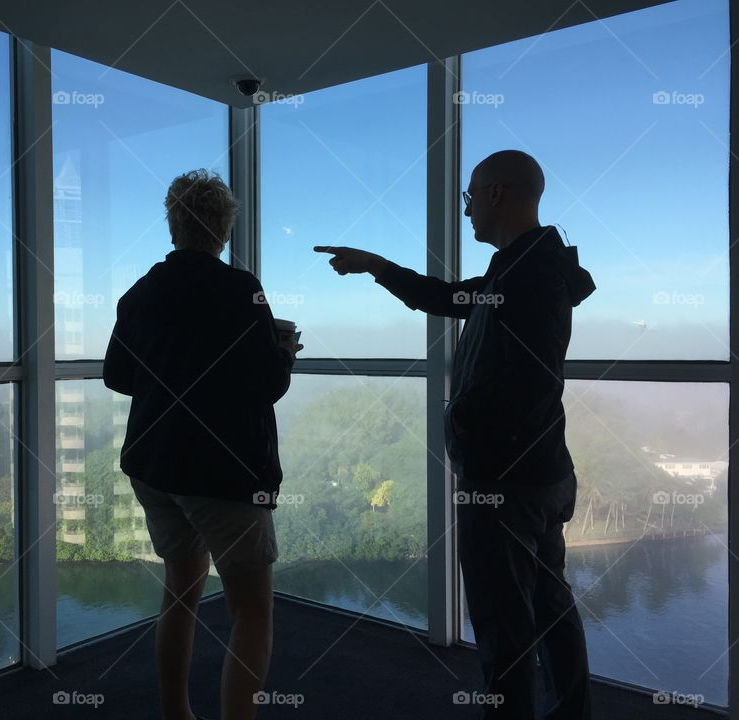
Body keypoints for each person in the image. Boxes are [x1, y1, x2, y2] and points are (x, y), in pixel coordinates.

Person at [314, 150, 596, 719]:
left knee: (502, 624)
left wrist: (470, 429)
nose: (465, 208)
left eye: (469, 196)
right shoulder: (519, 268)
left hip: (503, 482)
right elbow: (444, 298)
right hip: (538, 473)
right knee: (548, 605)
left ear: (497, 193)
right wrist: (377, 266)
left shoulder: (528, 276)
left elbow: (527, 384)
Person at [103, 169, 302, 720]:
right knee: (251, 611)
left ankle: (176, 714)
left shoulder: (140, 292)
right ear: (223, 228)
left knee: (180, 592)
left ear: (173, 224)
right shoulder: (243, 290)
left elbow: (117, 375)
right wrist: (283, 352)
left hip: (155, 465)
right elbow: (268, 384)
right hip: (227, 474)